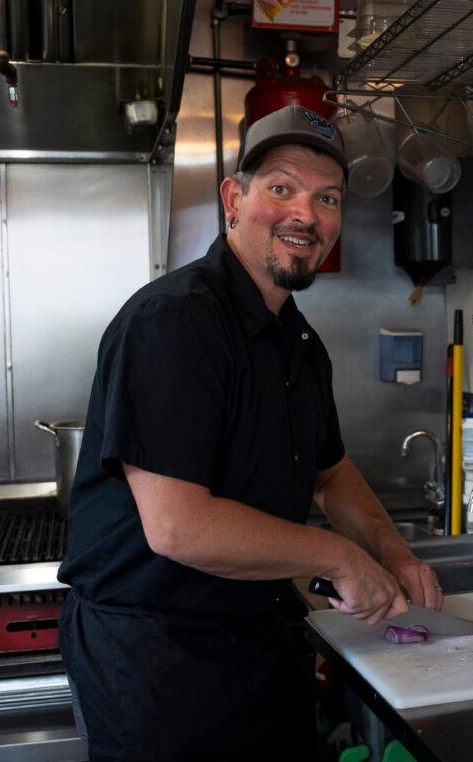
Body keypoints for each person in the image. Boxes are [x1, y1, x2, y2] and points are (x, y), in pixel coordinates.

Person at [57, 104, 444, 762]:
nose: (307, 215)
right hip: (158, 660)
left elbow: (331, 472)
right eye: (282, 188)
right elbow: (178, 527)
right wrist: (340, 558)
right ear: (234, 199)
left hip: (254, 641)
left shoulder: (297, 341)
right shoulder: (175, 323)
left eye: (328, 198)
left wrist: (391, 551)